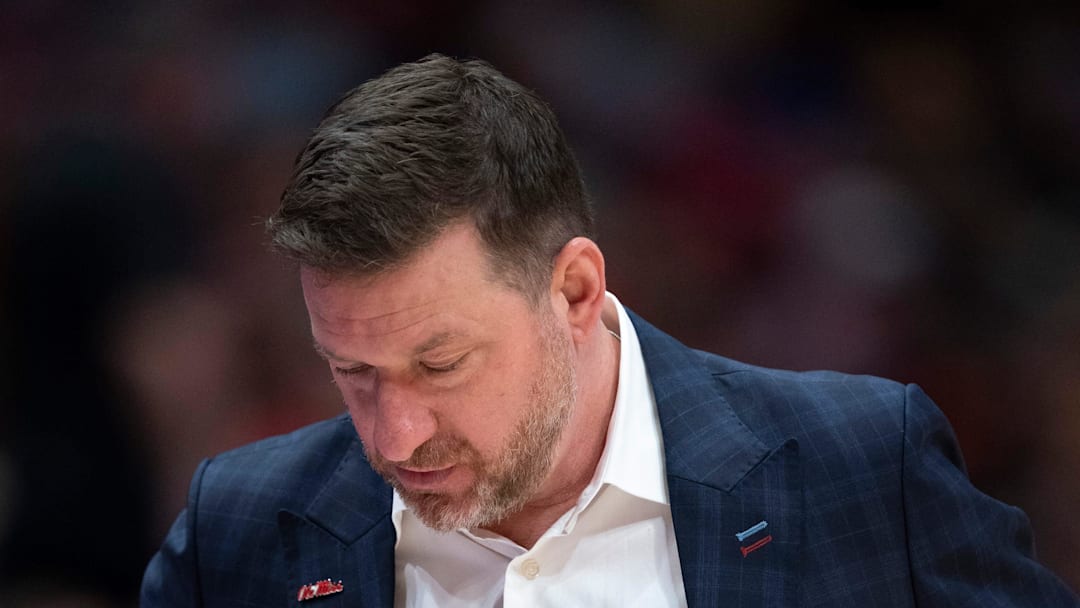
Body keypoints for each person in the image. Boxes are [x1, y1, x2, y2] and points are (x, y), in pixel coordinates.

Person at [141, 54, 1078, 607]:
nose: (394, 436)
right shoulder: (242, 529)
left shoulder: (861, 468)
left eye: (442, 363)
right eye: (351, 370)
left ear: (576, 289)